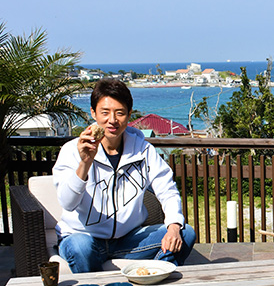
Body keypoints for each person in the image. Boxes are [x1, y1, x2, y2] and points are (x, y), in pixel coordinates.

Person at [53, 78, 196, 273]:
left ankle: (149, 279)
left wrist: (173, 226)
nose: (112, 120)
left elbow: (167, 189)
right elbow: (67, 203)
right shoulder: (71, 150)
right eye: (104, 112)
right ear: (93, 113)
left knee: (185, 232)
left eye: (119, 113)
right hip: (84, 237)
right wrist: (85, 163)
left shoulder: (142, 150)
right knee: (80, 247)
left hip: (128, 240)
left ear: (129, 115)